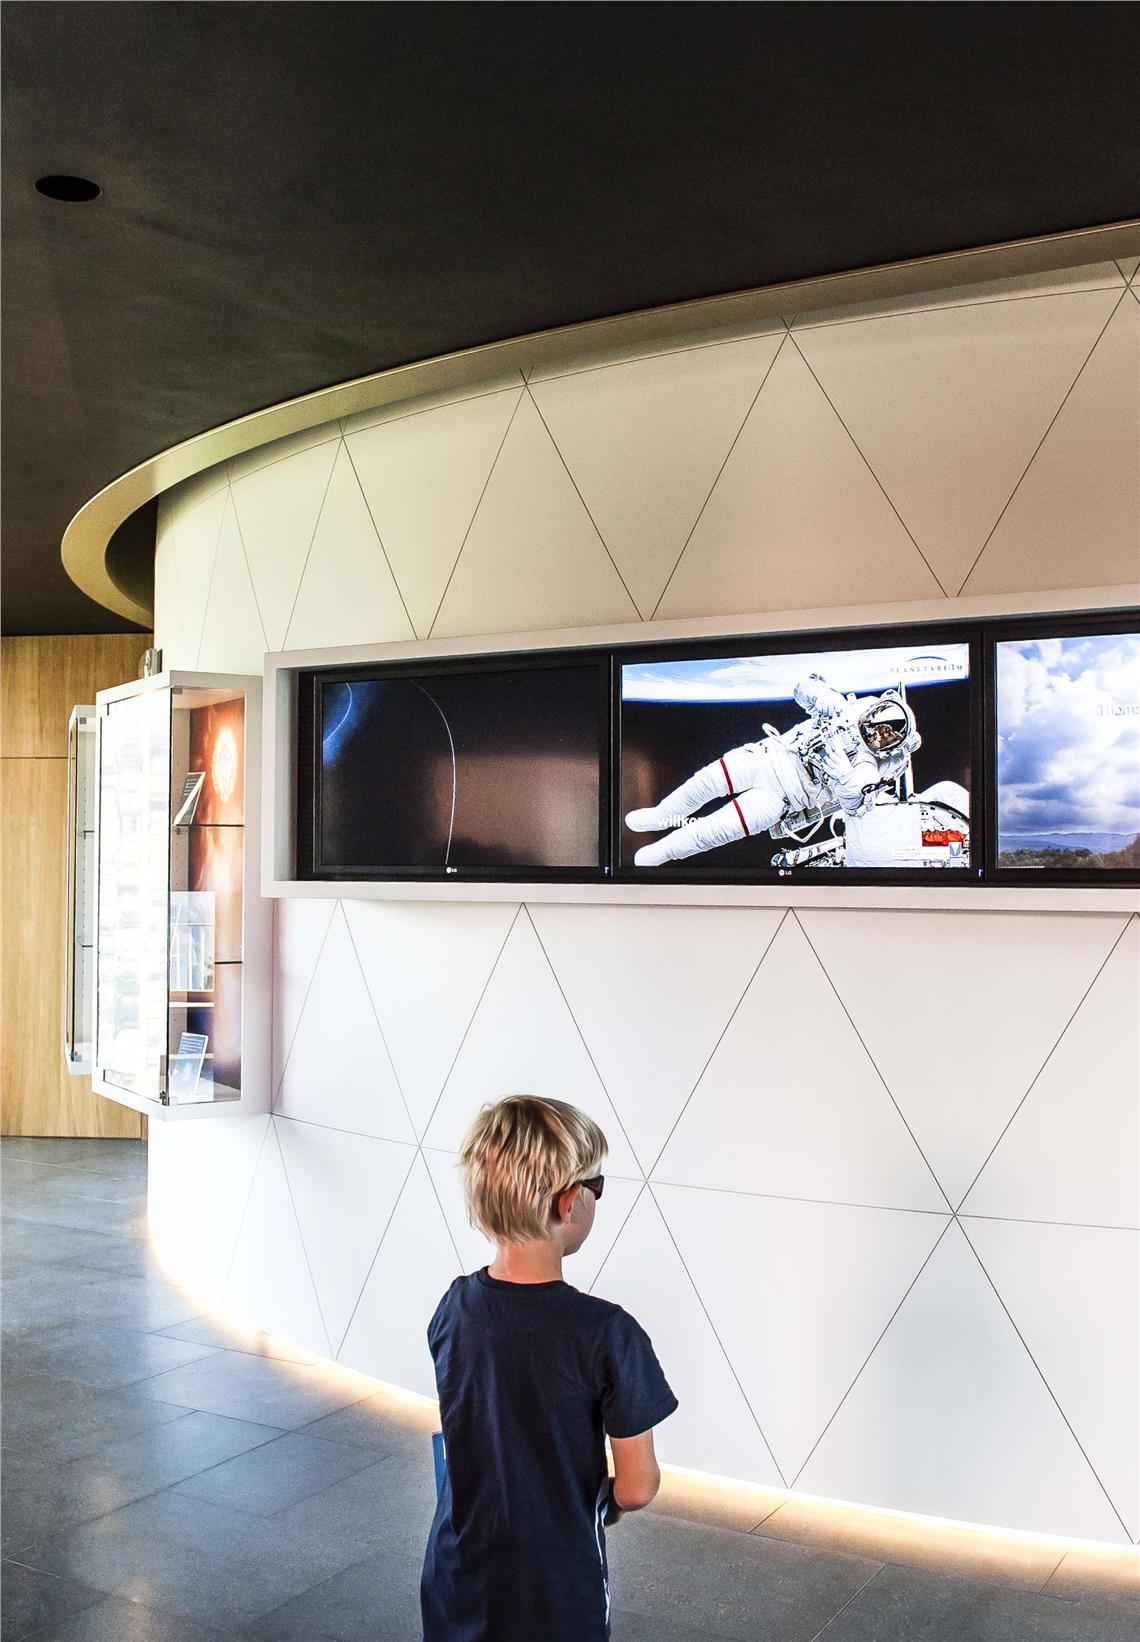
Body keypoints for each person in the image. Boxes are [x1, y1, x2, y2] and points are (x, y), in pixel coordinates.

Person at [421, 1095, 677, 1642]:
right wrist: (604, 1501)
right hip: (556, 1585)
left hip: (456, 1571)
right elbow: (637, 1487)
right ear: (568, 1202)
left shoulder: (454, 1306)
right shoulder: (607, 1333)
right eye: (596, 1186)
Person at [625, 673, 921, 866]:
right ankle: (661, 815)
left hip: (779, 800)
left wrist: (845, 775)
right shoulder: (844, 710)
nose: (877, 733)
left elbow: (856, 805)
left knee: (711, 832)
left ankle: (662, 853)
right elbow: (802, 687)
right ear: (874, 711)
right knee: (702, 785)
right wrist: (821, 696)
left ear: (890, 748)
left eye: (886, 736)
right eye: (879, 724)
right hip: (765, 759)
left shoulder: (867, 767)